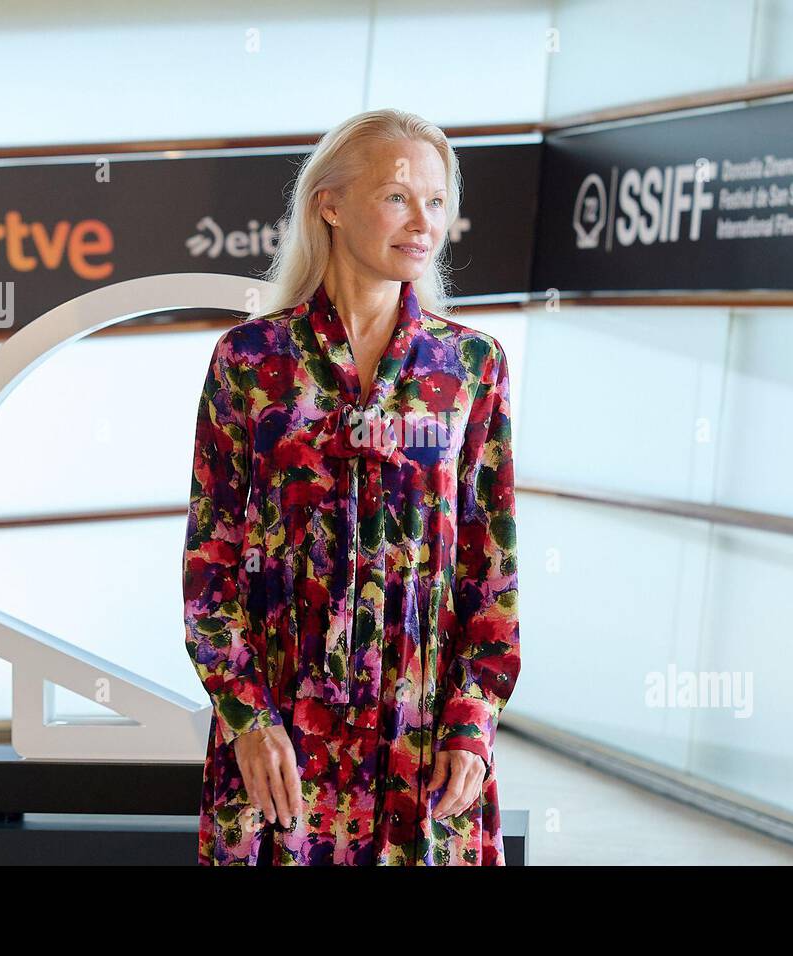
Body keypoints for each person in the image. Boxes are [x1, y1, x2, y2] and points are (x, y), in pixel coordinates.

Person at [183, 108, 520, 865]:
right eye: (398, 196)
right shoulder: (249, 361)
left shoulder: (469, 367)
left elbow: (490, 569)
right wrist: (247, 718)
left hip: (422, 742)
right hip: (283, 745)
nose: (422, 221)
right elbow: (211, 562)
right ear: (329, 205)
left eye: (436, 201)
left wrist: (473, 716)